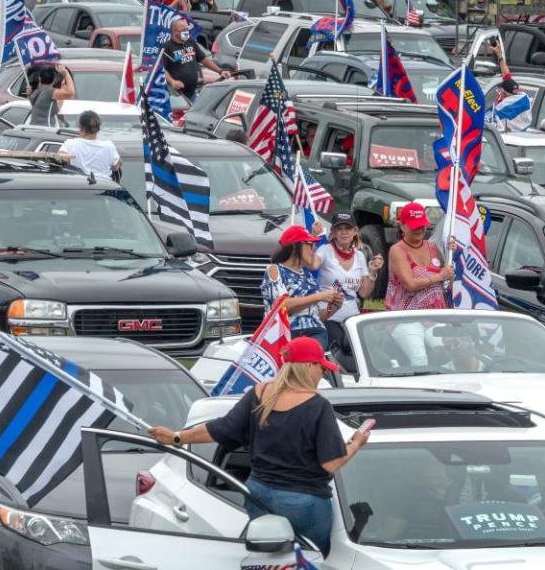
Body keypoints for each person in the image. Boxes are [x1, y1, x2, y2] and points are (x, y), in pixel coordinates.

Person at [148, 335, 369, 556]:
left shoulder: (259, 395)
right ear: (309, 366)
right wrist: (356, 443)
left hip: (259, 494)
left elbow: (221, 429)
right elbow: (332, 463)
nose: (323, 374)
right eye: (321, 368)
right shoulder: (318, 406)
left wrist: (177, 437)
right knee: (312, 560)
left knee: (268, 556)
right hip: (304, 504)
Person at [386, 203, 453, 367]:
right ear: (402, 226)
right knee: (419, 359)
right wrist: (439, 276)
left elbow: (447, 279)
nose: (420, 229)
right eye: (415, 226)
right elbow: (410, 284)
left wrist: (454, 256)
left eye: (422, 225)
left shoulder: (432, 246)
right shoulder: (397, 250)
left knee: (450, 357)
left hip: (435, 315)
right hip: (405, 317)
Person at [314, 213, 384, 370]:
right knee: (341, 355)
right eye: (339, 229)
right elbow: (311, 266)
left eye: (348, 228)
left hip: (351, 317)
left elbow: (365, 292)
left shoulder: (359, 256)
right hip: (328, 315)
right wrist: (312, 237)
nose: (344, 232)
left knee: (364, 355)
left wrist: (373, 272)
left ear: (355, 231)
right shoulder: (324, 250)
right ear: (332, 232)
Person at [262, 225, 341, 349]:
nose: (313, 249)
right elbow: (281, 306)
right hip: (286, 335)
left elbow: (315, 315)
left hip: (316, 332)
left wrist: (334, 306)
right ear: (294, 247)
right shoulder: (275, 270)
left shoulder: (307, 274)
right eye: (309, 245)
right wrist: (319, 296)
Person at [161, 18, 231, 101]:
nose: (187, 32)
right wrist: (172, 82)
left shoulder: (191, 42)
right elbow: (162, 69)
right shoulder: (167, 47)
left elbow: (204, 59)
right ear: (175, 32)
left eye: (187, 29)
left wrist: (220, 71)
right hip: (177, 96)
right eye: (184, 30)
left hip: (192, 93)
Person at [59, 110, 123, 179]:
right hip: (104, 187)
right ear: (98, 128)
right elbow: (117, 166)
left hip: (79, 186)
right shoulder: (109, 146)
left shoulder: (70, 144)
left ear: (81, 127)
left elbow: (59, 160)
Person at [485, 41, 532, 132]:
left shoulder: (507, 106)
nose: (499, 93)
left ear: (505, 94)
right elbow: (506, 76)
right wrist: (499, 55)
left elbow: (489, 119)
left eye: (501, 91)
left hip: (510, 138)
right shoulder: (521, 95)